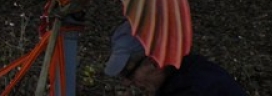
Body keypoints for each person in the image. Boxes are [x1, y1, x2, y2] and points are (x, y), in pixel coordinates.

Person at [104, 21, 247, 95]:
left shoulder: (195, 87)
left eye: (128, 73)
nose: (126, 83)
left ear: (155, 63)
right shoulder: (186, 71)